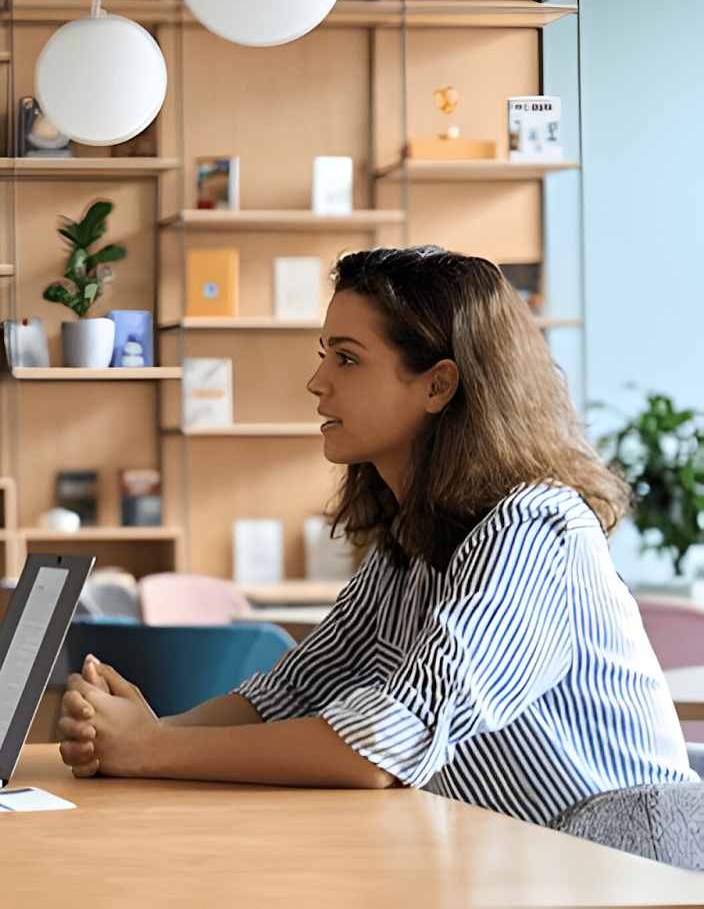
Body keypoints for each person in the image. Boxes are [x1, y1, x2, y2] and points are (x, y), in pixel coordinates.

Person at [58, 245, 697, 825]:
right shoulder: (410, 538)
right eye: (324, 356)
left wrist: (151, 749)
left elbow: (377, 748)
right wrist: (143, 732)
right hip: (517, 866)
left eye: (348, 359)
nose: (317, 382)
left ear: (438, 384)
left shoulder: (536, 528)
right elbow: (294, 692)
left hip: (625, 866)